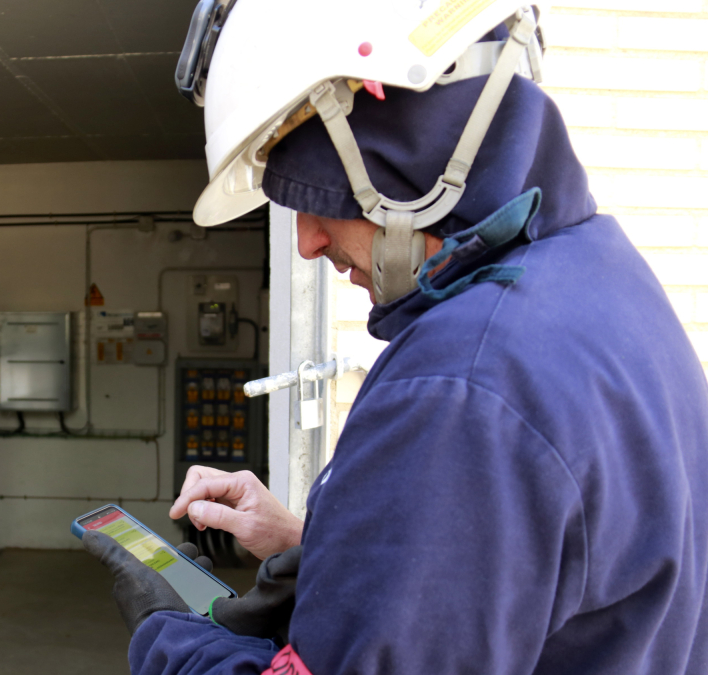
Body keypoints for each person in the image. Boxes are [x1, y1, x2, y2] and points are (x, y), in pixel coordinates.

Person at [82, 1, 708, 673]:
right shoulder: (599, 274)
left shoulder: (461, 388)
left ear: (406, 140)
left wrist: (165, 633)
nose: (307, 239)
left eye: (313, 183)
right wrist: (314, 542)